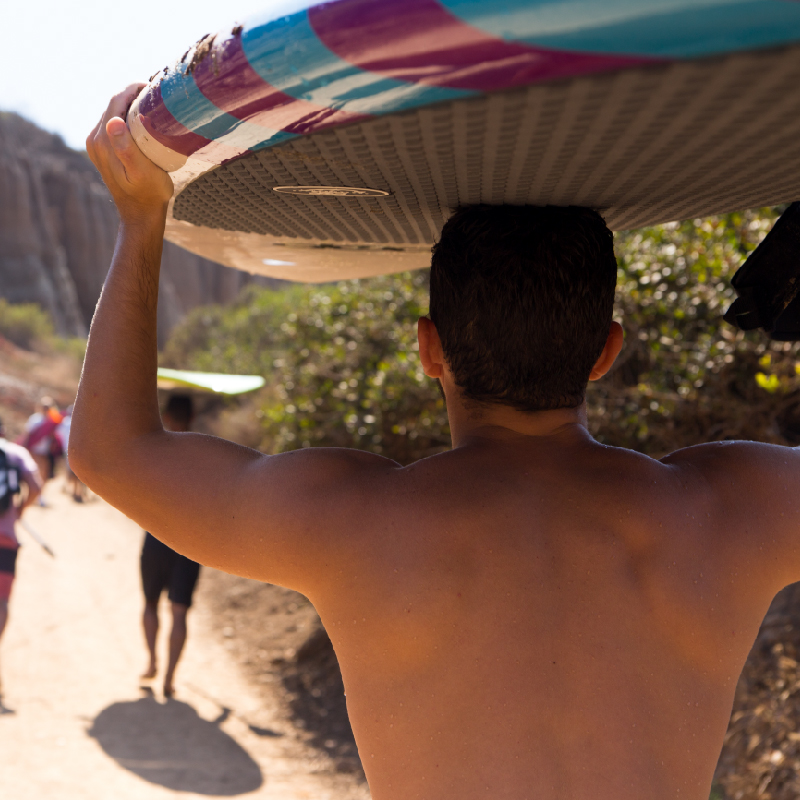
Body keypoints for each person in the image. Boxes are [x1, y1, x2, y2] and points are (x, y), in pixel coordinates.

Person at [71, 85, 800, 800]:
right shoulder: (735, 509)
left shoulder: (353, 522)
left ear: (429, 349)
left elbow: (111, 453)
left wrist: (141, 222)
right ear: (606, 351)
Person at [139, 394, 201, 697]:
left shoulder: (156, 450)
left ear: (166, 414)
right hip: (190, 544)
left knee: (150, 604)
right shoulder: (207, 453)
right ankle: (169, 679)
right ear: (193, 415)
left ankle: (151, 662)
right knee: (179, 612)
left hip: (156, 539)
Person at [0, 418, 42, 696]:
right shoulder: (16, 454)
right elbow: (36, 487)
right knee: (1, 600)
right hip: (6, 539)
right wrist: (19, 513)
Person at [24, 396, 62, 500]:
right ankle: (32, 494)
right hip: (34, 451)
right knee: (33, 473)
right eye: (44, 406)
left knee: (44, 474)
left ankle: (40, 495)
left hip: (46, 452)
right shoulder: (35, 419)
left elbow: (56, 436)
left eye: (48, 407)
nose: (46, 409)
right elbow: (28, 435)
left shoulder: (53, 420)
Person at [56, 405, 86, 503]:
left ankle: (74, 491)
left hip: (68, 451)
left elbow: (58, 434)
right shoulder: (81, 422)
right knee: (80, 472)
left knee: (71, 471)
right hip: (80, 452)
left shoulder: (65, 422)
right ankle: (79, 492)